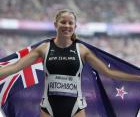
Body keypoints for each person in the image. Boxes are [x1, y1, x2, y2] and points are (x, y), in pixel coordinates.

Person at [0, 9, 140, 117]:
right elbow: (15, 67)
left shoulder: (81, 50)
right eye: (63, 22)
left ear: (75, 26)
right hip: (48, 106)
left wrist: (137, 77)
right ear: (56, 24)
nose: (66, 26)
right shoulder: (44, 48)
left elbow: (108, 72)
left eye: (70, 23)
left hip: (76, 106)